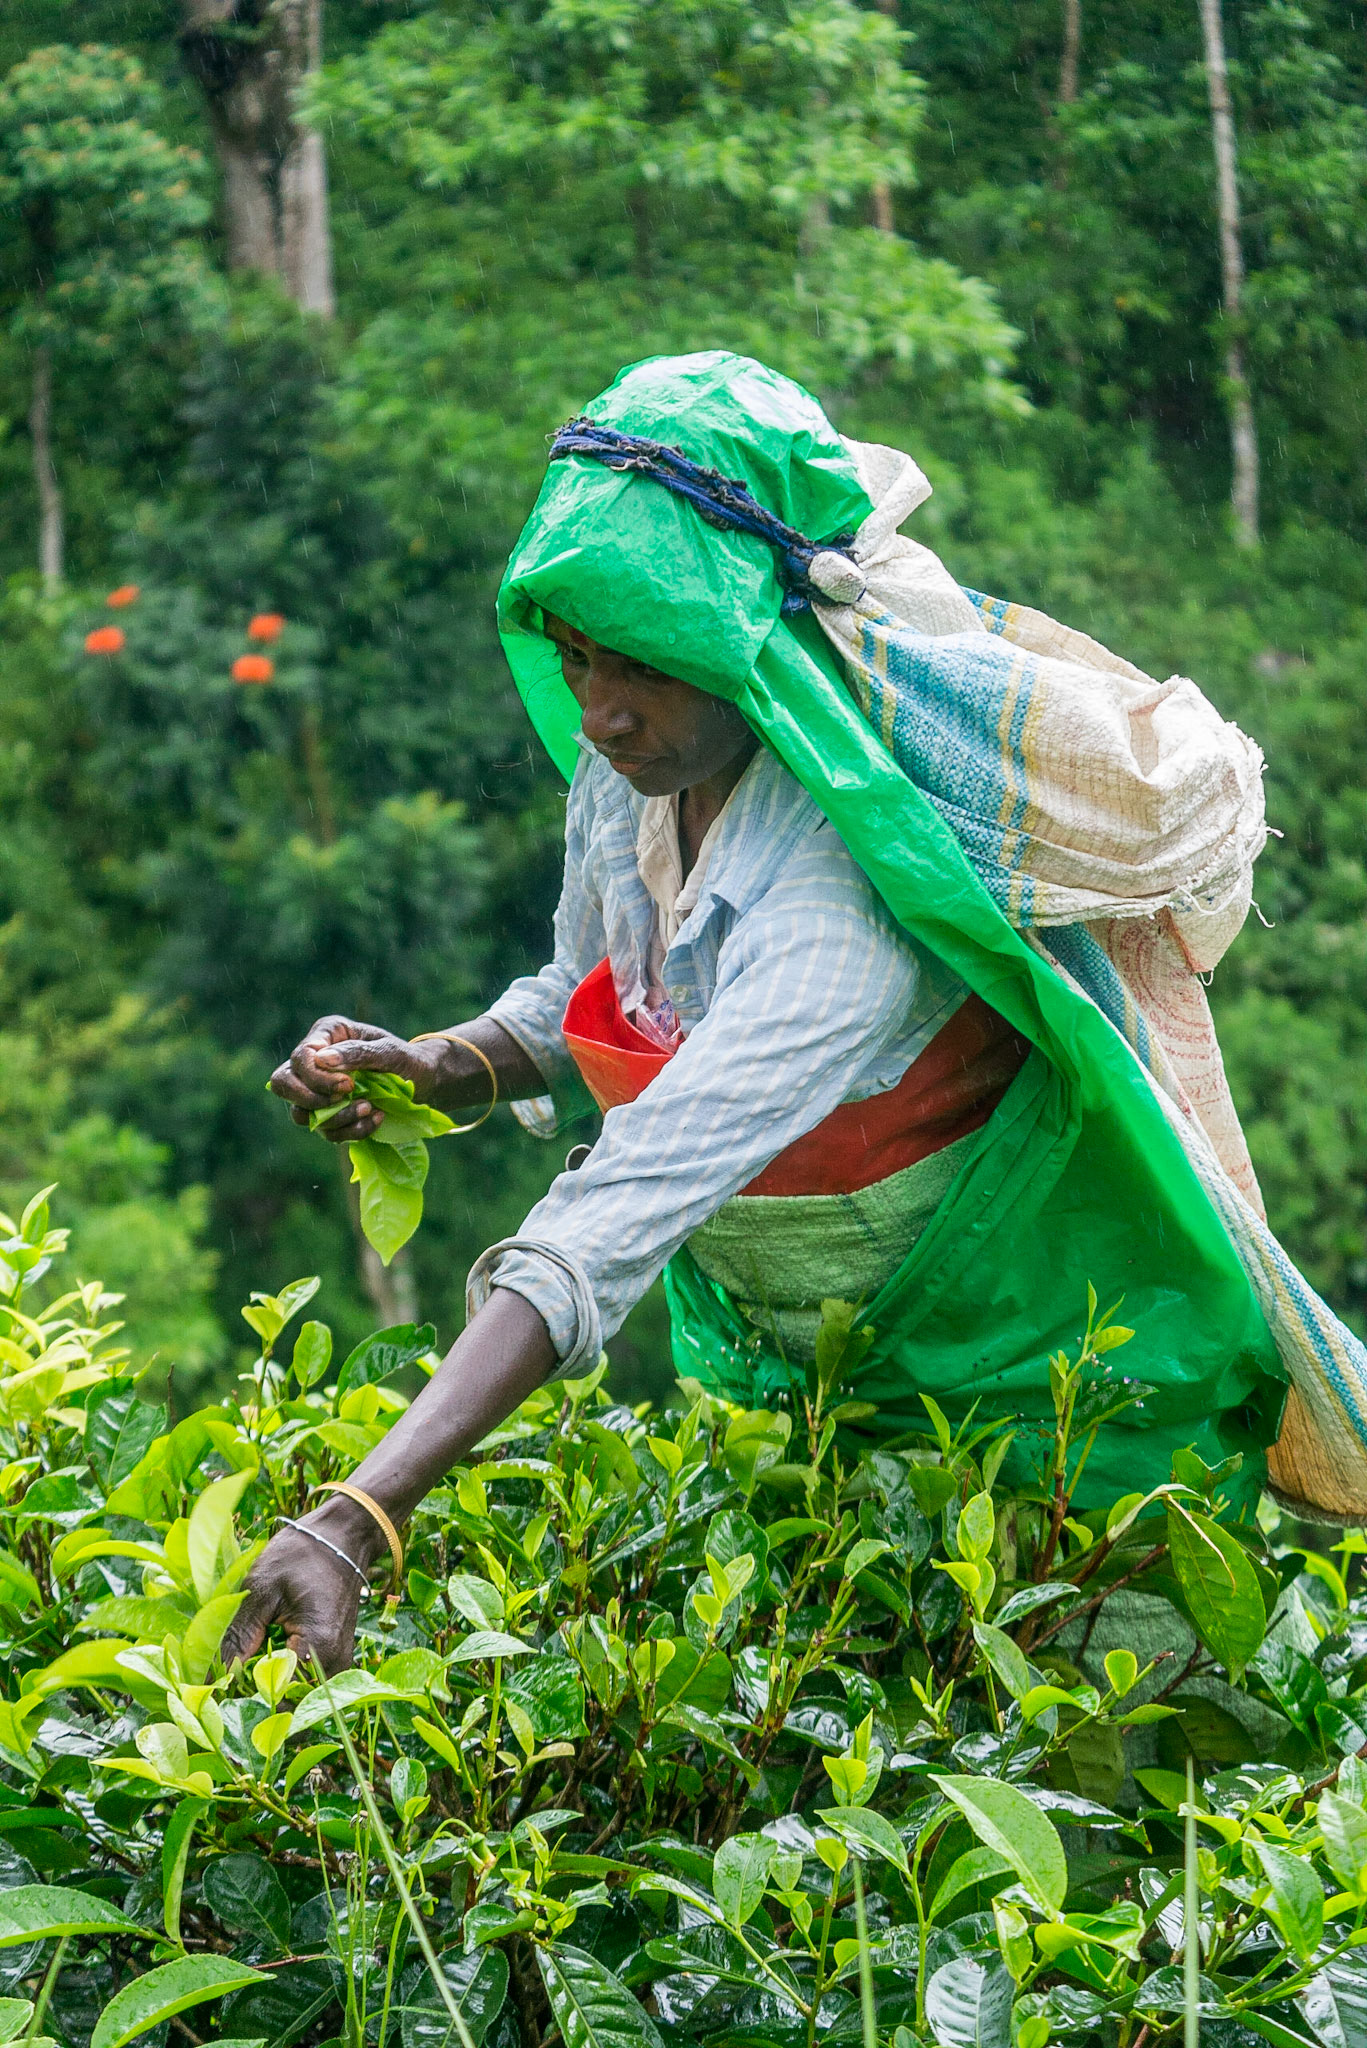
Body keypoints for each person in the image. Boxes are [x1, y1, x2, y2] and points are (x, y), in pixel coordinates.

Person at [223, 351, 1367, 1676]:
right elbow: (598, 992)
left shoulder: (842, 888)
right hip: (836, 1398)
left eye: (646, 665)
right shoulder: (638, 769)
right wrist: (436, 1065)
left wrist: (361, 1512)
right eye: (577, 658)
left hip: (1065, 1409)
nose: (601, 712)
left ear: (748, 645)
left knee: (1121, 1766)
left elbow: (623, 1206)